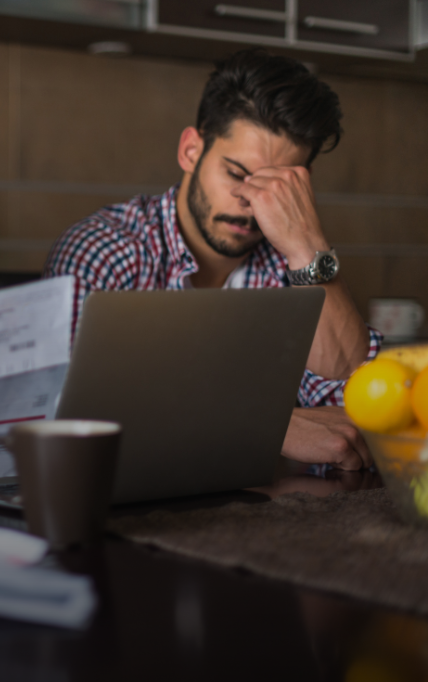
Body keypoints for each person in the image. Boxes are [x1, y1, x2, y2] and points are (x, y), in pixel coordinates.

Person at [45, 49, 380, 472]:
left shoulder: (293, 266)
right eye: (237, 174)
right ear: (191, 150)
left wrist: (307, 245)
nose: (249, 201)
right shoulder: (105, 251)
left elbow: (364, 412)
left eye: (275, 187)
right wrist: (268, 426)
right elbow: (68, 424)